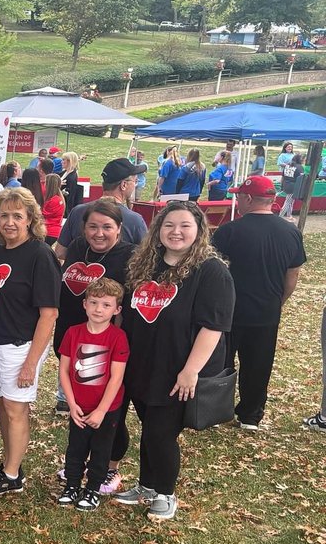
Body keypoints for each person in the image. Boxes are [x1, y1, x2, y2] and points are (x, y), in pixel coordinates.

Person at [115, 201, 234, 522]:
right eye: (169, 225)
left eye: (184, 225)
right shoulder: (146, 264)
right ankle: (146, 485)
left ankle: (165, 494)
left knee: (160, 433)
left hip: (178, 368)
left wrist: (191, 370)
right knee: (149, 426)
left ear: (199, 230)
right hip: (142, 363)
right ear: (158, 229)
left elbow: (214, 327)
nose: (176, 232)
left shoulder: (210, 271)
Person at [0, 188, 61, 498]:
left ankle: (11, 477)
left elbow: (48, 315)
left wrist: (30, 363)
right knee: (1, 405)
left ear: (30, 220)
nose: (10, 222)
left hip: (21, 346)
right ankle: (12, 465)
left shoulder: (40, 255)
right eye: (4, 215)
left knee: (15, 410)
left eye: (17, 216)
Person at [53, 198, 135, 488]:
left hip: (108, 346)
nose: (99, 233)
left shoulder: (129, 255)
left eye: (107, 227)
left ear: (119, 228)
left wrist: (115, 339)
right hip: (73, 338)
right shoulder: (77, 248)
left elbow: (131, 305)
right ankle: (80, 461)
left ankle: (109, 466)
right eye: (92, 226)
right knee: (82, 402)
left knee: (111, 410)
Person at [212, 176, 305, 429]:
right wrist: (278, 301)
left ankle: (217, 409)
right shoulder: (291, 231)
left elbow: (213, 271)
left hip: (229, 310)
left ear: (249, 198)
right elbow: (292, 274)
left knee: (222, 361)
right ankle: (251, 415)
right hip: (267, 310)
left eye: (238, 196)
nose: (237, 200)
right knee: (259, 363)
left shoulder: (229, 231)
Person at [55, 277, 130, 512]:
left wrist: (101, 410)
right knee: (75, 448)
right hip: (79, 406)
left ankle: (93, 490)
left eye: (106, 305)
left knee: (100, 450)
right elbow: (64, 371)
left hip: (106, 409)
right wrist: (71, 402)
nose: (99, 309)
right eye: (94, 302)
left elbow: (116, 378)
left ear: (117, 309)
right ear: (84, 304)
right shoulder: (72, 332)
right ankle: (72, 486)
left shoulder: (118, 337)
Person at [56, 158, 149, 257]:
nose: (135, 185)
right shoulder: (135, 220)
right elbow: (145, 260)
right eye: (135, 181)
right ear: (123, 185)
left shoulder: (77, 211)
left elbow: (60, 252)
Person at [279, 154, 306, 219]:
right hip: (293, 186)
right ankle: (280, 216)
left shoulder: (287, 165)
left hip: (286, 184)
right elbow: (301, 178)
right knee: (288, 202)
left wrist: (282, 185)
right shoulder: (300, 167)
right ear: (300, 160)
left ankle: (289, 215)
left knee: (290, 201)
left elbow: (283, 177)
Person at [42, 173, 64, 243]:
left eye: (45, 182)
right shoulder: (57, 199)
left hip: (50, 231)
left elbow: (44, 214)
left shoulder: (54, 200)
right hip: (50, 231)